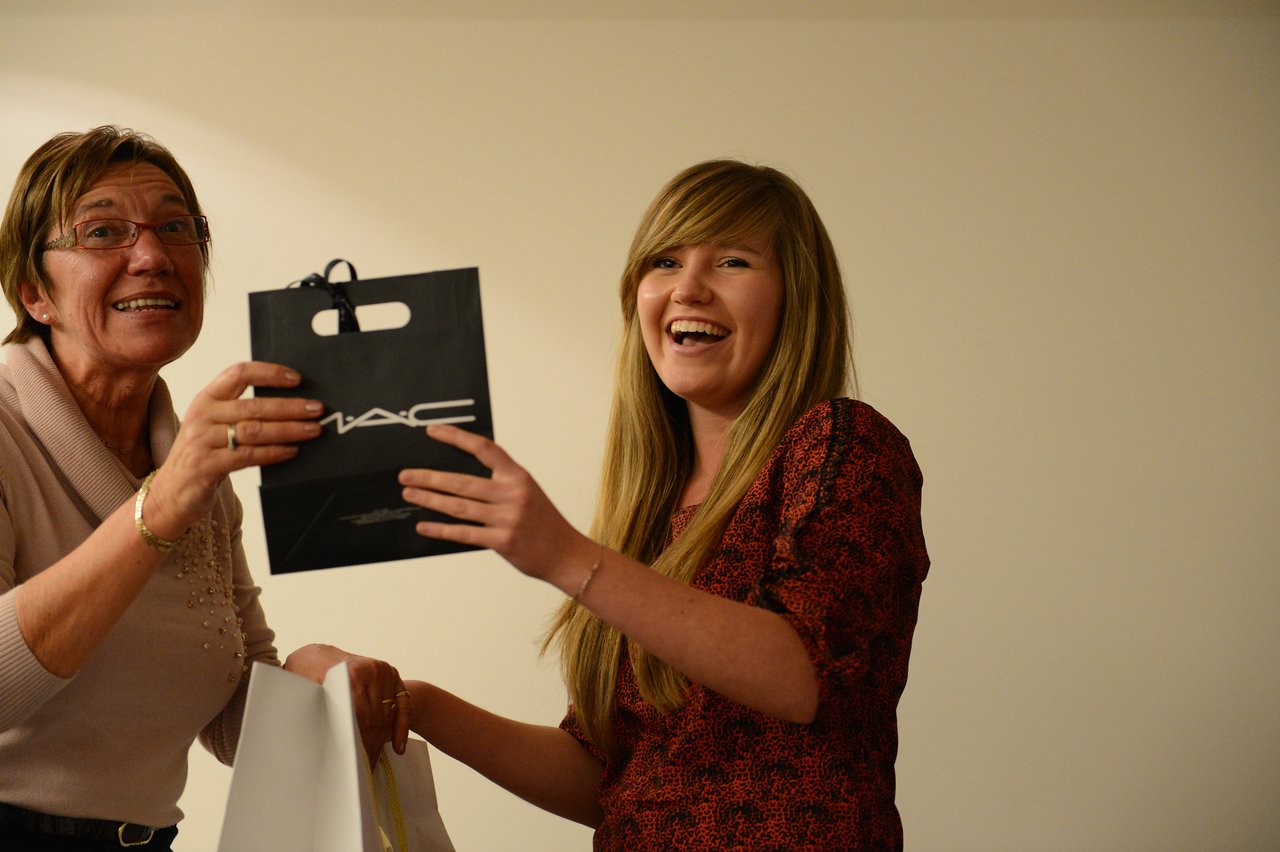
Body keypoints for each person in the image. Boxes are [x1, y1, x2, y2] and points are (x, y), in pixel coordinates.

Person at [398, 159, 931, 848]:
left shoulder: (841, 444)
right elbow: (614, 778)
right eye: (664, 262)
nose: (689, 289)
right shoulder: (650, 514)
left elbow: (804, 674)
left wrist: (565, 557)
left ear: (797, 297)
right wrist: (420, 707)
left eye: (732, 261)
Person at [0, 126, 411, 851]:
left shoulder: (195, 468)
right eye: (103, 232)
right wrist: (160, 505)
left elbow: (227, 720)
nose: (152, 256)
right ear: (35, 293)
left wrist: (315, 676)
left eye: (175, 228)